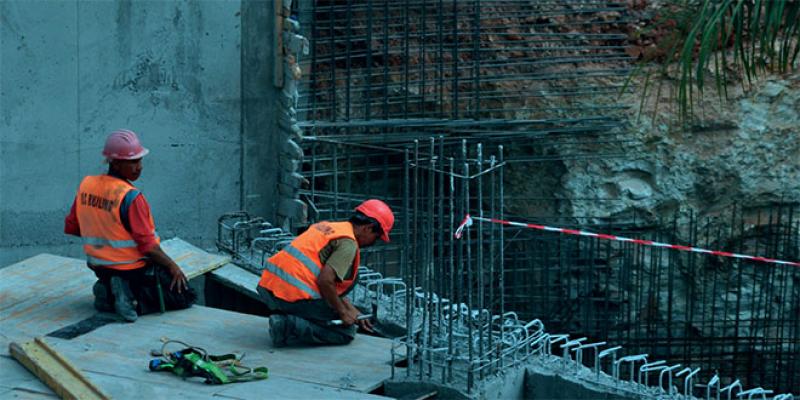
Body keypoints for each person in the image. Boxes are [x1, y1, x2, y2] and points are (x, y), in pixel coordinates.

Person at [64, 129, 195, 322]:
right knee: (185, 294)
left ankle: (108, 289)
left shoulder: (87, 186)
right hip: (131, 268)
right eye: (133, 162)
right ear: (115, 163)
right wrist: (173, 266)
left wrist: (103, 232)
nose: (139, 167)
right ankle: (131, 299)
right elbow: (148, 247)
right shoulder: (131, 197)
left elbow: (73, 227)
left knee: (155, 280)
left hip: (98, 265)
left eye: (140, 161)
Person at [256, 199, 394, 347]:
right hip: (289, 296)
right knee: (344, 333)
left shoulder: (328, 226)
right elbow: (325, 281)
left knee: (346, 286)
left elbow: (323, 279)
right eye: (377, 237)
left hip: (269, 287)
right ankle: (286, 325)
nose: (374, 241)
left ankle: (292, 317)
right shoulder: (348, 244)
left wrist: (351, 309)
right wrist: (342, 312)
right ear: (368, 228)